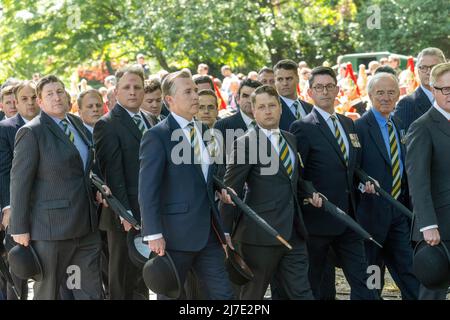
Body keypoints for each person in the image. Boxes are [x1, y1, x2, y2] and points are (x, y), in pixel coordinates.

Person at [8, 75, 109, 300]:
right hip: (51, 231)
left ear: (67, 95)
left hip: (86, 226)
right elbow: (19, 182)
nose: (56, 97)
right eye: (50, 94)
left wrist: (98, 189)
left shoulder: (76, 124)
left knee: (90, 291)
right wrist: (19, 227)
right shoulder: (32, 132)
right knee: (49, 293)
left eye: (60, 91)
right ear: (40, 102)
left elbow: (83, 170)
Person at [139, 69, 235, 300]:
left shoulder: (204, 131)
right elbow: (147, 188)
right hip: (173, 237)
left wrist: (219, 188)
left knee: (224, 294)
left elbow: (202, 177)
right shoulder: (157, 136)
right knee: (171, 296)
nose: (196, 96)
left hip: (209, 234)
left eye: (196, 90)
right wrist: (153, 233)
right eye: (189, 91)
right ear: (170, 100)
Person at [221, 85, 320, 299]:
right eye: (262, 107)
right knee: (251, 296)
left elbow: (294, 180)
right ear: (254, 111)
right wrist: (224, 231)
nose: (268, 111)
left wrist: (310, 192)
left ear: (280, 109)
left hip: (294, 232)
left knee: (302, 292)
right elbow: (230, 190)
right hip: (259, 236)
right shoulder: (245, 143)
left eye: (272, 106)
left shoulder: (290, 139)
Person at [290, 67, 379, 300]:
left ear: (337, 90)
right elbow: (297, 174)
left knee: (364, 281)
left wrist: (363, 183)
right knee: (317, 285)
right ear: (310, 92)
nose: (325, 92)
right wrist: (308, 194)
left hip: (349, 218)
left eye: (330, 86)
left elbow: (351, 167)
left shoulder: (348, 124)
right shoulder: (303, 127)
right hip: (318, 220)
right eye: (319, 87)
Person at [355, 73, 420, 299]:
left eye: (390, 92)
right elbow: (352, 170)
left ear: (398, 94)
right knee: (372, 276)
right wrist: (363, 186)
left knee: (410, 272)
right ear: (370, 95)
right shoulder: (359, 128)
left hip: (398, 213)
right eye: (380, 93)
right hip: (370, 215)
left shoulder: (400, 125)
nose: (385, 97)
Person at [94, 65, 151, 300]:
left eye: (137, 87)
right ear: (116, 92)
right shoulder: (107, 124)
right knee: (123, 279)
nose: (133, 92)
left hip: (148, 211)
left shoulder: (149, 119)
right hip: (123, 215)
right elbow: (112, 174)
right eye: (126, 87)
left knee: (143, 276)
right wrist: (125, 213)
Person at [406, 62, 450, 300]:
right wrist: (428, 225)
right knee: (433, 293)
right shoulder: (422, 127)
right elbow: (418, 180)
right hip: (438, 228)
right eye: (445, 89)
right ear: (433, 90)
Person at [0, 81, 41, 300]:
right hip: (18, 208)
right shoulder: (5, 129)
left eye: (34, 97)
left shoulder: (48, 123)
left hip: (46, 207)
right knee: (18, 272)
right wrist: (8, 207)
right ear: (15, 102)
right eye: (24, 99)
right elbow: (4, 171)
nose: (30, 102)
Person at [394, 47, 446, 132]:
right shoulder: (406, 104)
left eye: (434, 67)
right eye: (423, 67)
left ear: (444, 70)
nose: (429, 72)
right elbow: (403, 141)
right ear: (418, 71)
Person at [274, 59, 313, 131]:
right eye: (280, 79)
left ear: (298, 79)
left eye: (288, 78)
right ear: (275, 82)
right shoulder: (271, 111)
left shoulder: (311, 108)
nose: (284, 83)